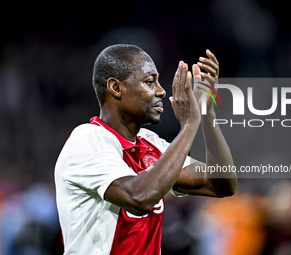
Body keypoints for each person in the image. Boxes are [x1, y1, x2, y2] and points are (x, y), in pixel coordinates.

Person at [54, 44, 236, 255]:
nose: (161, 91)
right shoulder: (87, 140)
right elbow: (138, 198)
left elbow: (221, 184)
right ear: (116, 88)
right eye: (150, 82)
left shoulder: (152, 144)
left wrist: (206, 115)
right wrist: (188, 126)